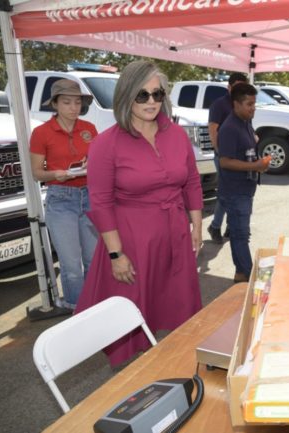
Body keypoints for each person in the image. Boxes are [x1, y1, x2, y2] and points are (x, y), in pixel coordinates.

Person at [76, 61, 204, 367]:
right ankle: (139, 373)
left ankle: (173, 364)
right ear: (126, 95)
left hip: (175, 232)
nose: (151, 101)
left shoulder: (176, 135)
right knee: (133, 311)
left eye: (157, 94)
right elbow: (101, 201)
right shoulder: (106, 143)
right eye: (142, 95)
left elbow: (192, 181)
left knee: (176, 304)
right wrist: (115, 254)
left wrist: (197, 227)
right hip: (133, 241)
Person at [29, 79, 99, 310]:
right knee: (71, 265)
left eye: (77, 102)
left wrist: (92, 163)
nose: (73, 107)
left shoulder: (89, 128)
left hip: (89, 196)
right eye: (67, 102)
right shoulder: (41, 133)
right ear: (55, 104)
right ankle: (75, 308)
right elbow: (37, 173)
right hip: (60, 199)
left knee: (93, 260)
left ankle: (94, 307)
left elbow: (100, 161)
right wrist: (55, 174)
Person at [217, 83, 269, 283]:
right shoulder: (229, 128)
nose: (253, 108)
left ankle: (240, 274)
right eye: (249, 104)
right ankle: (251, 276)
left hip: (245, 189)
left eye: (254, 104)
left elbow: (246, 150)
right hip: (235, 191)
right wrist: (255, 165)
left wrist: (259, 163)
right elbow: (224, 161)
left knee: (239, 233)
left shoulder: (245, 122)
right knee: (240, 235)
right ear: (236, 104)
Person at [207, 72, 249, 244]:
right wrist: (221, 154)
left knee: (236, 192)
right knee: (227, 193)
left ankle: (230, 227)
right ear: (229, 87)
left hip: (242, 159)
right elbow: (213, 130)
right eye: (237, 87)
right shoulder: (219, 105)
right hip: (225, 158)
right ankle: (215, 226)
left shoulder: (243, 105)